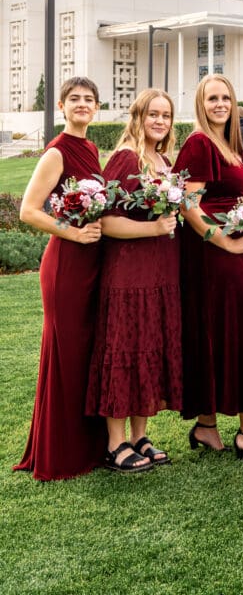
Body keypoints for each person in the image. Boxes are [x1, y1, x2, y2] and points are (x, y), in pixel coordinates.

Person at [174, 74, 243, 461]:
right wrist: (226, 242)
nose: (220, 104)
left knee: (219, 330)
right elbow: (189, 206)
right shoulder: (199, 143)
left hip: (228, 249)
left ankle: (206, 426)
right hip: (211, 252)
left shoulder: (230, 144)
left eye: (226, 98)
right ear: (201, 104)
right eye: (212, 98)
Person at [14, 77, 107, 480]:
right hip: (67, 263)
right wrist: (73, 233)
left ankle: (90, 445)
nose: (82, 105)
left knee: (86, 352)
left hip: (93, 262)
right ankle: (60, 454)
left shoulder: (91, 147)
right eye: (75, 99)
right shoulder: (57, 152)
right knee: (66, 354)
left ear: (97, 108)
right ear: (62, 107)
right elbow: (29, 211)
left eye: (89, 99)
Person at [85, 89, 183, 473]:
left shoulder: (165, 161)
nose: (160, 121)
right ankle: (115, 442)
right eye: (152, 114)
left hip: (161, 274)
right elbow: (105, 221)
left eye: (166, 115)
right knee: (124, 350)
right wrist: (154, 228)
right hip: (128, 274)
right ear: (138, 117)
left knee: (151, 349)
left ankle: (140, 435)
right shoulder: (126, 158)